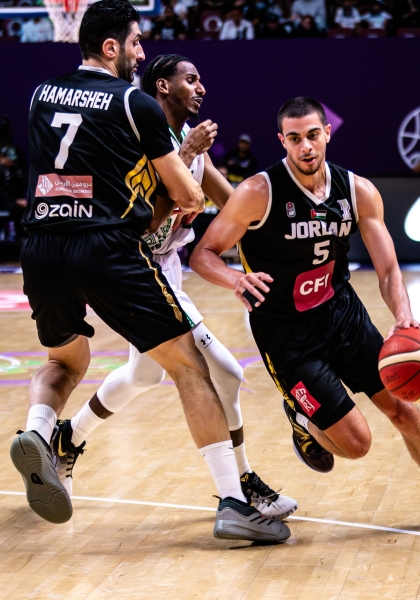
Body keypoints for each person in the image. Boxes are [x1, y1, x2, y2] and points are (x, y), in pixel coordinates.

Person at [11, 0, 289, 544]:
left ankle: (43, 434)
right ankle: (235, 498)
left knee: (68, 362)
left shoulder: (41, 93)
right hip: (111, 250)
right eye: (136, 42)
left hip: (41, 245)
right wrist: (182, 181)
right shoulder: (135, 105)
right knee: (192, 370)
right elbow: (188, 197)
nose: (140, 53)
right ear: (110, 46)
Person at [190, 97, 420, 534]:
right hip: (287, 336)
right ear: (282, 141)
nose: (306, 147)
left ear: (327, 133)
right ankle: (302, 417)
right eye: (295, 138)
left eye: (313, 135)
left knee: (405, 411)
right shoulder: (258, 192)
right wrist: (235, 279)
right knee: (356, 444)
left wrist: (404, 315)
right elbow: (203, 254)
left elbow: (388, 269)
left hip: (343, 316)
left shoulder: (357, 190)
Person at [57, 53, 298, 521]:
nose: (201, 87)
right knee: (225, 374)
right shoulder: (135, 139)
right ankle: (243, 485)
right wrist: (185, 153)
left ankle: (69, 437)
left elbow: (235, 205)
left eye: (202, 79)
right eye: (191, 79)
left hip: (164, 269)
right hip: (133, 270)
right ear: (163, 86)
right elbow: (144, 222)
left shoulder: (191, 143)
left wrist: (283, 227)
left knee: (144, 375)